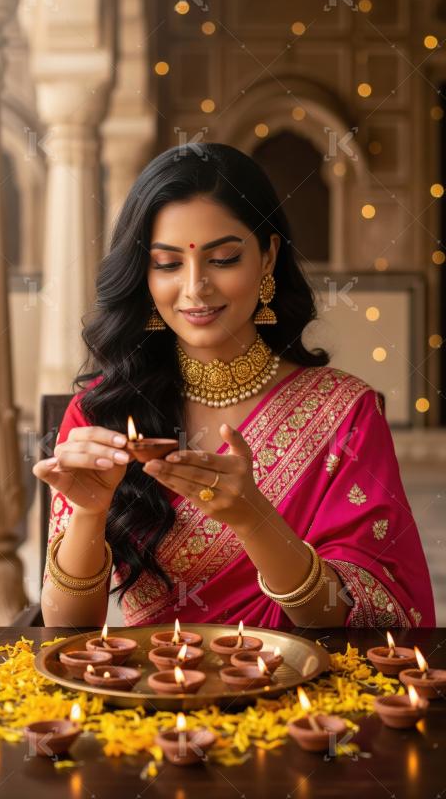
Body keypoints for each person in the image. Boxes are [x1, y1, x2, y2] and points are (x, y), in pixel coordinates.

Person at [33, 142, 436, 630]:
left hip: (301, 676)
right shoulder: (103, 413)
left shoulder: (343, 412)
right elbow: (64, 629)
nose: (195, 287)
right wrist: (89, 513)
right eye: (168, 264)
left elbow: (372, 619)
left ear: (267, 257)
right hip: (155, 675)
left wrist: (254, 520)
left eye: (223, 259)